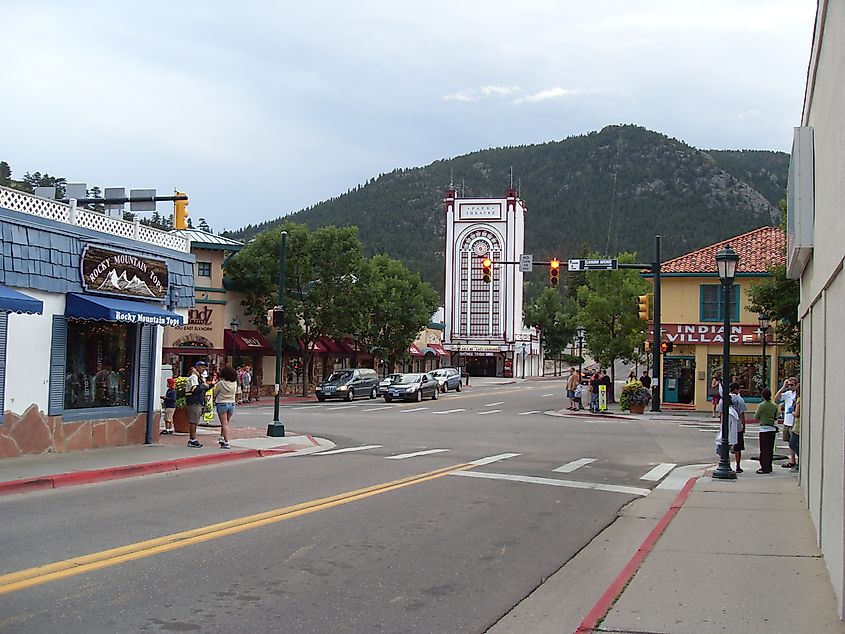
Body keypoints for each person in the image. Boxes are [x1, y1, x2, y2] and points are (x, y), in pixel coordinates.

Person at [213, 366, 240, 449]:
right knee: (226, 423)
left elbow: (215, 393)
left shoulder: (220, 383)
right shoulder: (234, 383)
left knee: (223, 424)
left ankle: (226, 442)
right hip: (231, 403)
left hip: (222, 403)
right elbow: (235, 393)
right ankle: (222, 437)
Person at [185, 361, 209, 447]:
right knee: (193, 421)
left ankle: (193, 439)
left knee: (195, 421)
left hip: (197, 401)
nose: (204, 369)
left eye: (204, 367)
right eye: (202, 367)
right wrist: (204, 386)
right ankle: (192, 439)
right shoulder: (194, 377)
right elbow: (194, 389)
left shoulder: (199, 378)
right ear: (197, 367)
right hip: (193, 401)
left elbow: (202, 390)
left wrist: (210, 386)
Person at [775, 376, 798, 468]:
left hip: (794, 421)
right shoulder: (787, 393)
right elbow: (776, 399)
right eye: (788, 385)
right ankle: (792, 460)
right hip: (787, 421)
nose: (790, 387)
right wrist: (783, 387)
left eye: (791, 385)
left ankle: (798, 459)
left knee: (795, 442)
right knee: (789, 442)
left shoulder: (798, 394)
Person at [755, 388, 778, 474]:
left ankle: (764, 467)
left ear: (762, 396)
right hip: (772, 428)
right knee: (770, 449)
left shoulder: (761, 405)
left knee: (763, 449)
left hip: (764, 429)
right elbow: (776, 416)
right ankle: (769, 466)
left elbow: (756, 417)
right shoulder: (774, 406)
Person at [729, 382, 747, 473]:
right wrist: (744, 426)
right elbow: (742, 414)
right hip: (737, 425)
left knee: (726, 445)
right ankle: (738, 466)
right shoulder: (740, 400)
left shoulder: (725, 398)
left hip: (728, 426)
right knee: (738, 448)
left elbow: (721, 413)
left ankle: (726, 464)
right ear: (736, 389)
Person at [788, 388, 800, 472]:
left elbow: (797, 413)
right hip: (795, 424)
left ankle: (801, 461)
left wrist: (792, 412)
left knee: (792, 443)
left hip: (798, 426)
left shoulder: (799, 400)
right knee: (795, 444)